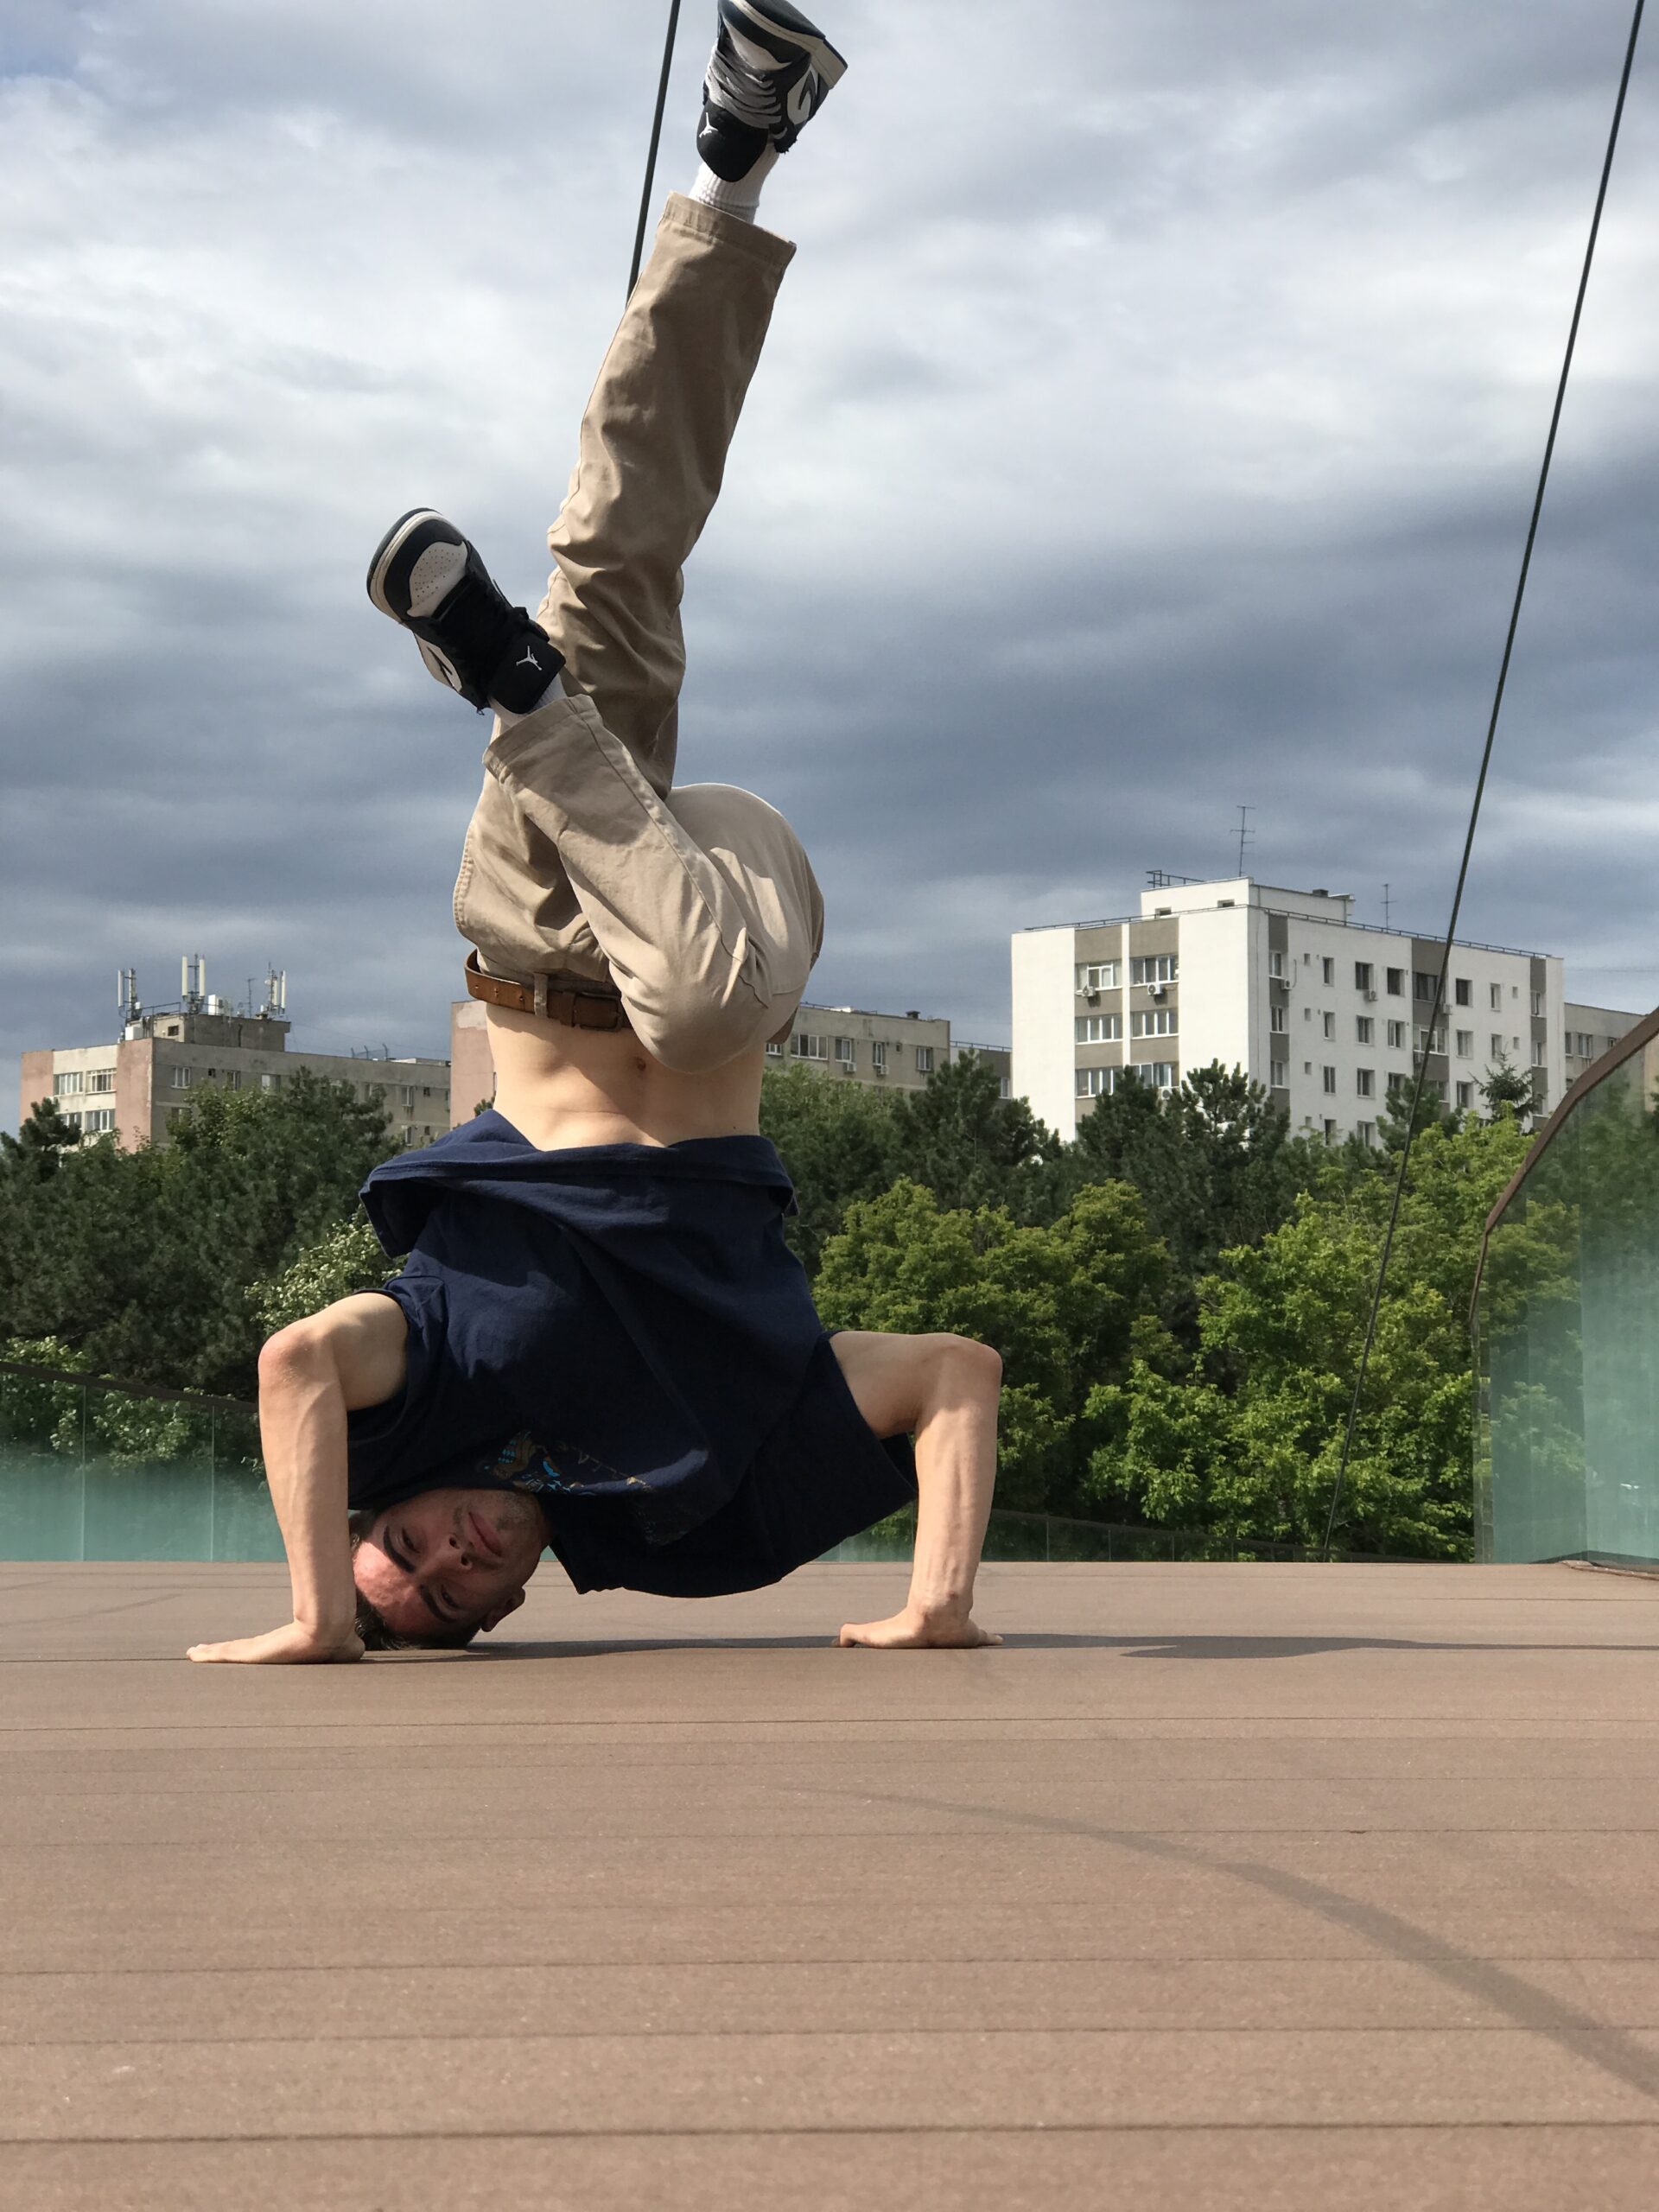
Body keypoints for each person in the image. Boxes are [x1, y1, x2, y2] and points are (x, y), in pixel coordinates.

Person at [188, 0, 1002, 1666]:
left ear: (379, 1499)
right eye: (457, 1593)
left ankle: (740, 155)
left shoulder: (433, 1367)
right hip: (724, 902)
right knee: (698, 1010)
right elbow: (954, 1377)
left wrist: (319, 1618)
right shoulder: (691, 1511)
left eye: (402, 1546)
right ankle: (514, 692)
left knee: (617, 551)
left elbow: (291, 1365)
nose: (454, 1554)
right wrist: (940, 1601)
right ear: (506, 1612)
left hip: (535, 925)